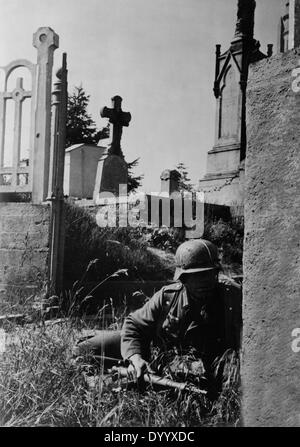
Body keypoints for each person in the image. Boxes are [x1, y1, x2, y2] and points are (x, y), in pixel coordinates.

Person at [74, 239, 242, 389]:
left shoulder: (232, 297)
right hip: (155, 350)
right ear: (183, 278)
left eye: (209, 274)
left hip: (198, 366)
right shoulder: (168, 296)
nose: (205, 282)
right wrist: (135, 358)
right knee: (85, 348)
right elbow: (134, 325)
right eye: (196, 276)